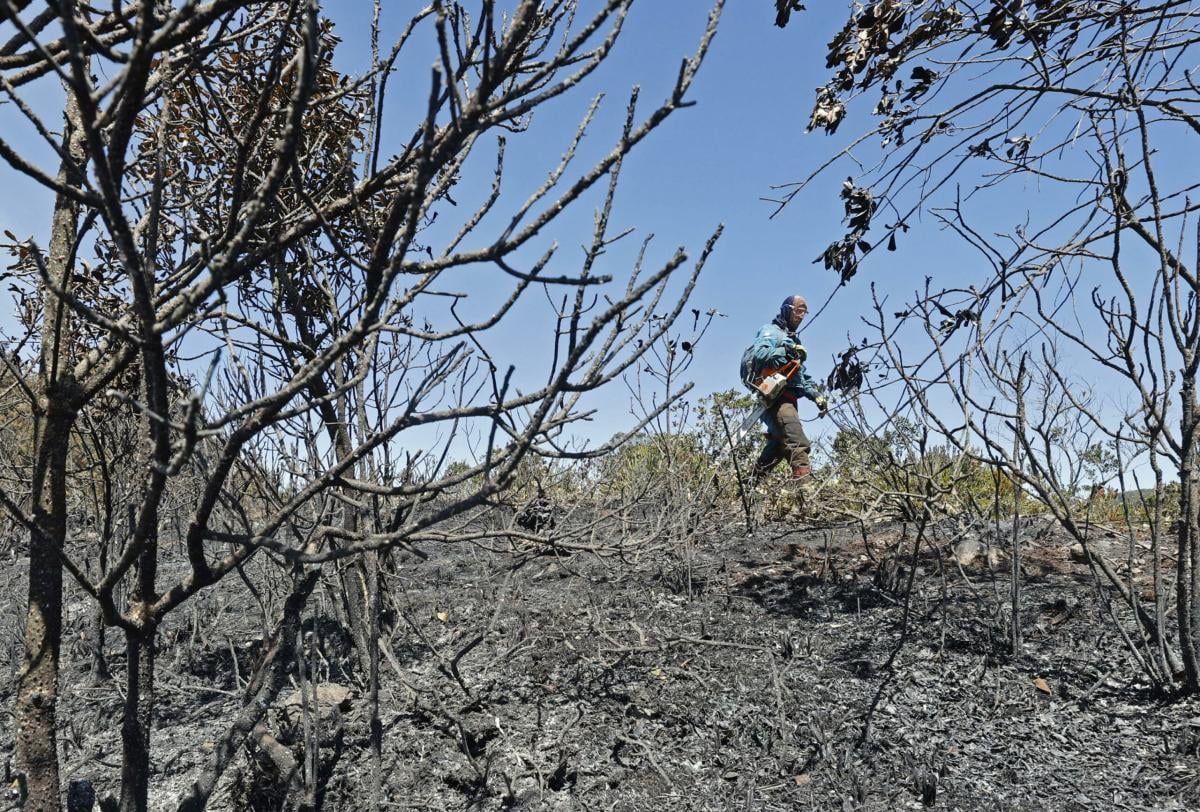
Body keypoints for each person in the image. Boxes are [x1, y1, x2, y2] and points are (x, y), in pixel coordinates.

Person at [740, 294, 828, 480]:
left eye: (804, 312)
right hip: (775, 398)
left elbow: (801, 377)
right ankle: (807, 492)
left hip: (789, 399)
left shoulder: (795, 342)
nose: (801, 315)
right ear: (787, 309)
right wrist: (785, 350)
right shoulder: (771, 331)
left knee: (778, 446)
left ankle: (748, 489)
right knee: (797, 441)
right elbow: (760, 353)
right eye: (798, 310)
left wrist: (817, 396)